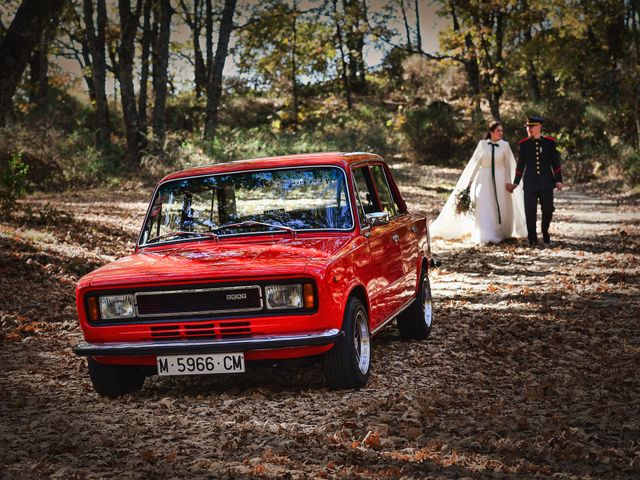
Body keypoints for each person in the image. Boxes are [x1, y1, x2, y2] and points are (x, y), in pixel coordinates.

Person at [430, 121, 527, 244]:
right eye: (498, 131)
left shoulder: (505, 146)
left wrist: (508, 182)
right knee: (484, 202)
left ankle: (500, 232)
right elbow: (476, 163)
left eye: (502, 131)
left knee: (500, 204)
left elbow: (507, 166)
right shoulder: (482, 144)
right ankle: (485, 233)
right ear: (491, 132)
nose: (501, 133)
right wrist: (470, 182)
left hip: (500, 179)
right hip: (484, 179)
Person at [506, 116, 564, 246]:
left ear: (539, 127)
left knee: (548, 209)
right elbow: (520, 165)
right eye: (527, 127)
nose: (529, 129)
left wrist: (558, 180)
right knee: (530, 211)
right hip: (530, 183)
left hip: (547, 183)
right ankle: (532, 238)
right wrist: (515, 182)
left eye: (531, 127)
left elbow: (556, 163)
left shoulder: (549, 143)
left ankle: (545, 231)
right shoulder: (524, 144)